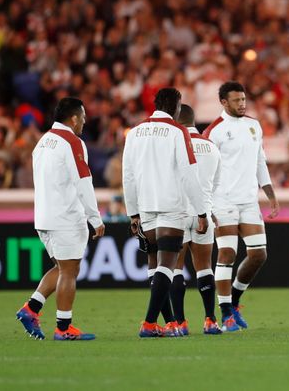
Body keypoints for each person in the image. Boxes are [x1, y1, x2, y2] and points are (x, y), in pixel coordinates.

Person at [16, 97, 105, 341]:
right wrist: (95, 218)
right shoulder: (72, 142)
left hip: (43, 215)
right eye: (83, 118)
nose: (84, 123)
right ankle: (63, 328)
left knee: (63, 268)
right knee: (68, 271)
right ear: (74, 118)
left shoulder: (43, 141)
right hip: (65, 216)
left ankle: (31, 309)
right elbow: (83, 182)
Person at [123, 88, 207, 338]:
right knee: (167, 265)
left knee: (154, 265)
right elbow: (188, 173)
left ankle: (169, 323)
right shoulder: (178, 131)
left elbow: (127, 176)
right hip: (171, 204)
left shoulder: (135, 132)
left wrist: (133, 213)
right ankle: (149, 323)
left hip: (146, 206)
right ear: (177, 107)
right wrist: (201, 211)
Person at [203, 82, 279, 332]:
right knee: (227, 254)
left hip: (248, 200)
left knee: (259, 254)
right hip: (222, 199)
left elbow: (260, 162)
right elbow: (204, 170)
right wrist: (206, 204)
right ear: (224, 103)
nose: (242, 104)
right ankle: (225, 313)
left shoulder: (253, 125)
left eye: (244, 99)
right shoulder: (214, 131)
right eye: (236, 100)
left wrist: (270, 194)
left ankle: (233, 300)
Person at [168, 104, 223, 335]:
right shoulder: (211, 147)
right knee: (204, 268)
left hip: (179, 214)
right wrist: (209, 208)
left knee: (176, 269)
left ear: (177, 122)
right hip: (205, 214)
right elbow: (216, 184)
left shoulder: (174, 145)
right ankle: (210, 320)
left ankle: (180, 323)